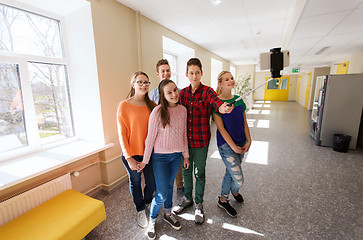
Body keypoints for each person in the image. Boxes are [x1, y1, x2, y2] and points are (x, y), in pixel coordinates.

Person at [173, 58, 233, 224]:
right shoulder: (182, 93)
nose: (194, 75)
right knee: (186, 172)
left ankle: (199, 204)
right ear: (187, 74)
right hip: (185, 143)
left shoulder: (207, 91)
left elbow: (216, 102)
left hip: (201, 142)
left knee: (199, 173)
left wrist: (222, 107)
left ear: (201, 73)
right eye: (191, 73)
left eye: (197, 72)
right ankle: (187, 199)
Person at [139, 79, 190, 240]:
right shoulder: (157, 111)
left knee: (169, 187)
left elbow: (183, 135)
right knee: (161, 192)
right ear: (163, 95)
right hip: (160, 158)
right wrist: (145, 161)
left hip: (176, 157)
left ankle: (168, 214)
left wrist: (185, 155)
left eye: (175, 90)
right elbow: (150, 139)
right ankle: (153, 220)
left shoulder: (183, 110)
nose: (174, 94)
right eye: (169, 92)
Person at [116, 71, 156, 229]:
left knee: (152, 184)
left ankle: (147, 203)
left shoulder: (152, 106)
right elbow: (122, 134)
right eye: (140, 82)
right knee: (136, 182)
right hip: (132, 154)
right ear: (133, 84)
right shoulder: (124, 105)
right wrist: (129, 157)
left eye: (146, 82)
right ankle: (140, 209)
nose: (144, 85)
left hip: (150, 154)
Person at [213, 70, 251, 217]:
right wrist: (233, 147)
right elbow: (221, 129)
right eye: (226, 79)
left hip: (241, 142)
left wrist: (249, 140)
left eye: (232, 78)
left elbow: (245, 123)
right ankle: (235, 190)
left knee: (230, 172)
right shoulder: (217, 104)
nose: (231, 80)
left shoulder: (239, 100)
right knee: (239, 180)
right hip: (226, 146)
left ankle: (223, 199)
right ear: (220, 84)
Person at [149, 59, 185, 194]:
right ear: (158, 74)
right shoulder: (153, 94)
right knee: (160, 166)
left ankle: (180, 185)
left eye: (168, 70)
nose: (166, 73)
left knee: (177, 164)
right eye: (163, 71)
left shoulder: (178, 91)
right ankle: (160, 188)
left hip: (175, 136)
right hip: (160, 138)